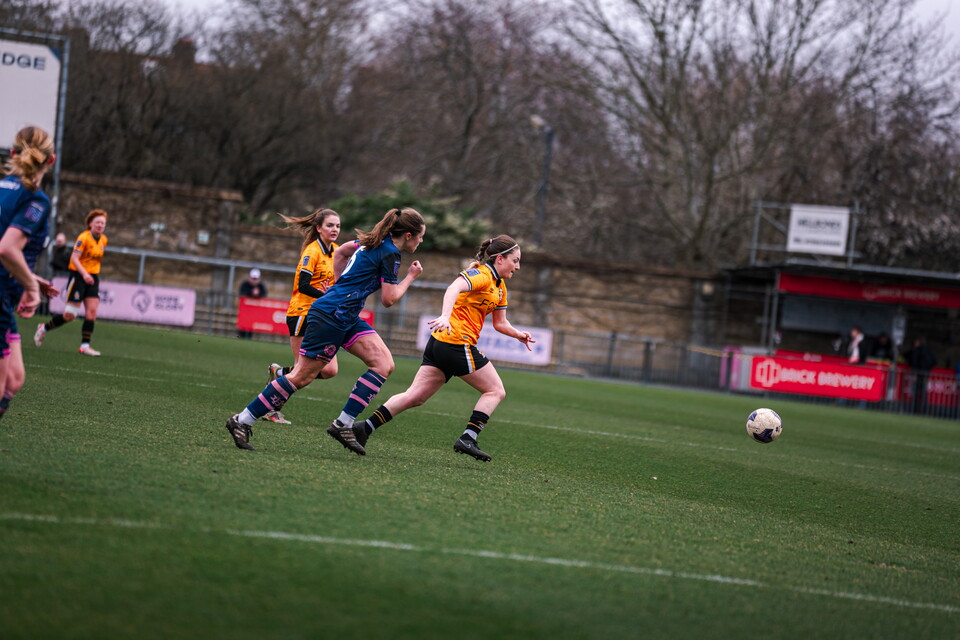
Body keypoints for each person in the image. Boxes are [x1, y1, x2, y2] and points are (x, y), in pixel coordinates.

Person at [224, 207, 426, 452]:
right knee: (301, 376)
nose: (421, 240)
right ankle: (242, 420)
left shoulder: (369, 242)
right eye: (420, 236)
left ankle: (343, 424)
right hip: (332, 315)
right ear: (408, 235)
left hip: (346, 315)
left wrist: (338, 284)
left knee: (383, 364)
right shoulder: (391, 253)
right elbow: (389, 299)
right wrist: (411, 276)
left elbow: (341, 251)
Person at [350, 235, 534, 462]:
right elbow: (453, 287)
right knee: (495, 390)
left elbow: (500, 323)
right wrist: (446, 315)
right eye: (515, 260)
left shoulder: (500, 287)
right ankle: (468, 437)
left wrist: (519, 335)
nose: (518, 266)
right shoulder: (482, 275)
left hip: (442, 344)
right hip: (455, 342)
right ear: (499, 259)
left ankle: (364, 428)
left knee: (415, 396)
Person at [262, 208, 342, 425]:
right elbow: (304, 285)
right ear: (318, 228)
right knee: (301, 374)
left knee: (329, 370)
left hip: (323, 317)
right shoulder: (312, 251)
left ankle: (279, 373)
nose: (335, 229)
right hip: (302, 314)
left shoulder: (337, 251)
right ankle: (270, 409)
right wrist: (328, 296)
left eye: (337, 225)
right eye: (330, 225)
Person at [0, 126, 60, 418]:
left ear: (12, 154)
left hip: (6, 297)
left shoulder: (2, 189)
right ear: (52, 160)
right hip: (0, 297)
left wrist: (29, 278)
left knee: (14, 380)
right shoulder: (35, 199)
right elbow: (7, 248)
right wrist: (32, 287)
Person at [34, 209, 109, 356]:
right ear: (90, 224)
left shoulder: (103, 240)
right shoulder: (84, 237)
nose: (100, 225)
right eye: (97, 222)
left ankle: (85, 346)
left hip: (93, 278)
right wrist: (84, 274)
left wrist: (90, 274)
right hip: (79, 276)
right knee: (70, 315)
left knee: (92, 313)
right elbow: (74, 258)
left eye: (103, 223)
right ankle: (43, 328)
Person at [905, 336, 936, 414]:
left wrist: (914, 372)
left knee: (915, 393)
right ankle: (923, 411)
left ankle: (913, 410)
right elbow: (935, 361)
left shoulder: (917, 350)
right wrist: (928, 369)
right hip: (925, 375)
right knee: (923, 394)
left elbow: (913, 361)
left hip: (917, 374)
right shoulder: (929, 351)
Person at [237, 268, 267, 339]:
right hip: (245, 310)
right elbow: (242, 293)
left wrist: (257, 294)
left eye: (255, 279)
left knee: (250, 327)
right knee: (242, 327)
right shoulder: (245, 284)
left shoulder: (261, 286)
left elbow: (264, 294)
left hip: (254, 311)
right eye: (253, 278)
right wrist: (251, 293)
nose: (254, 280)